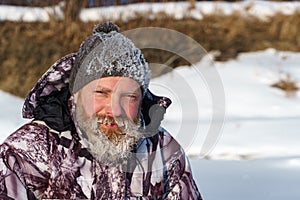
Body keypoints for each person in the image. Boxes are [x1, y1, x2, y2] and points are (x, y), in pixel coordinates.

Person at [0, 22, 202, 199]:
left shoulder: (164, 151)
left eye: (129, 97)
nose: (115, 110)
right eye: (101, 93)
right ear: (76, 95)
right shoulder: (26, 152)